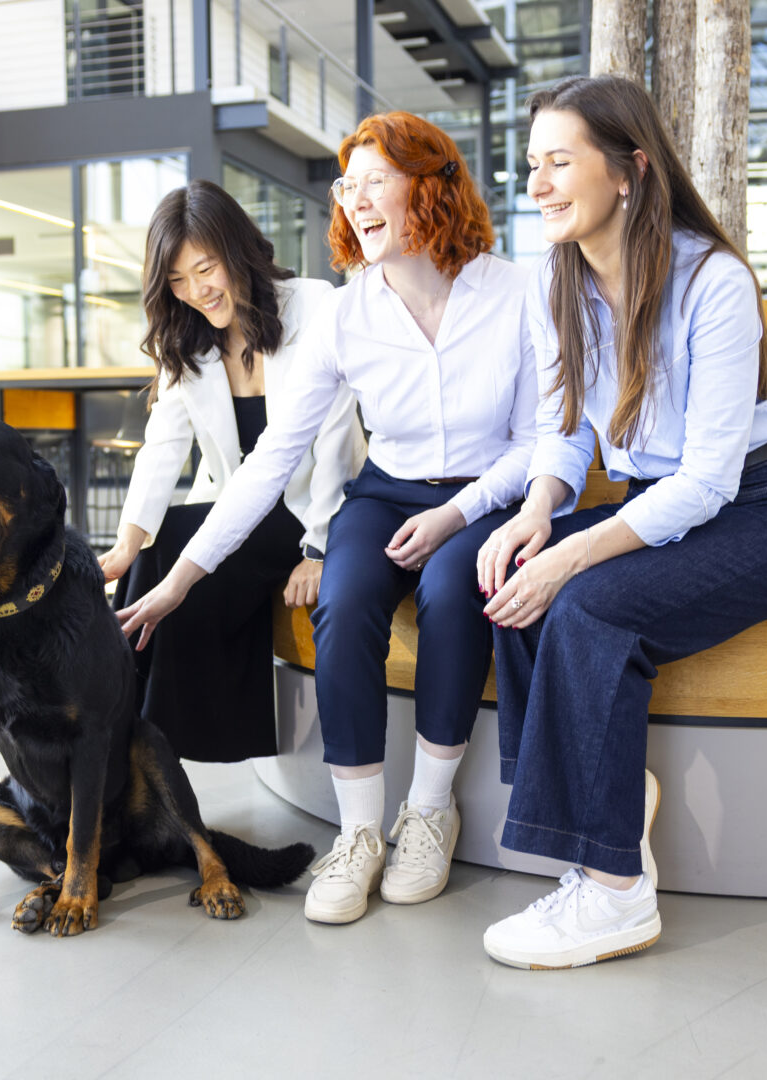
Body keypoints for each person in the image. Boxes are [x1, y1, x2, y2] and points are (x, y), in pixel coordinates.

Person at [116, 113, 537, 925]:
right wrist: (176, 581)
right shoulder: (350, 311)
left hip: (486, 493)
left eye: (375, 180)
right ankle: (358, 833)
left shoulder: (513, 291)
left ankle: (428, 810)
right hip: (386, 492)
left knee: (454, 592)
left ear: (432, 181)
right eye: (348, 187)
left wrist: (456, 513)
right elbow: (272, 459)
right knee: (344, 601)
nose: (356, 201)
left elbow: (539, 440)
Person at [475, 75, 767, 970]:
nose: (540, 185)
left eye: (560, 162)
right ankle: (596, 831)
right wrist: (534, 516)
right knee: (502, 586)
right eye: (533, 166)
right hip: (662, 504)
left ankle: (616, 897)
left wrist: (570, 561)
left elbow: (709, 482)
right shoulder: (553, 282)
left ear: (630, 169)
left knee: (587, 606)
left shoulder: (709, 279)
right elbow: (561, 431)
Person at [99, 179, 367, 763]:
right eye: (176, 281)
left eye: (206, 269)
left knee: (173, 542)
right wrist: (125, 543)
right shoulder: (187, 336)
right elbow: (163, 445)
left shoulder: (316, 305)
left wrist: (318, 551)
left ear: (237, 249)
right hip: (233, 509)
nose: (196, 291)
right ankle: (120, 743)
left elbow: (338, 441)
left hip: (305, 513)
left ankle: (146, 756)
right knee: (152, 547)